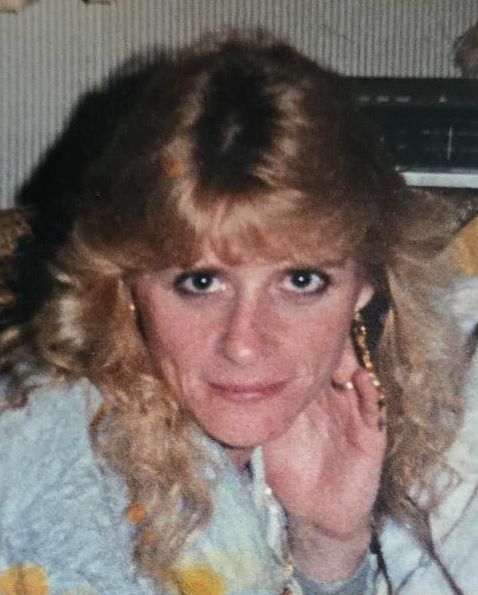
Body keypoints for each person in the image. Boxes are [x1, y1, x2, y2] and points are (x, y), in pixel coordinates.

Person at [0, 34, 476, 595]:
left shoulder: (301, 455)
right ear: (125, 284)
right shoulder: (46, 452)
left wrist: (326, 546)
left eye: (301, 281)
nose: (245, 343)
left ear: (366, 287)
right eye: (201, 282)